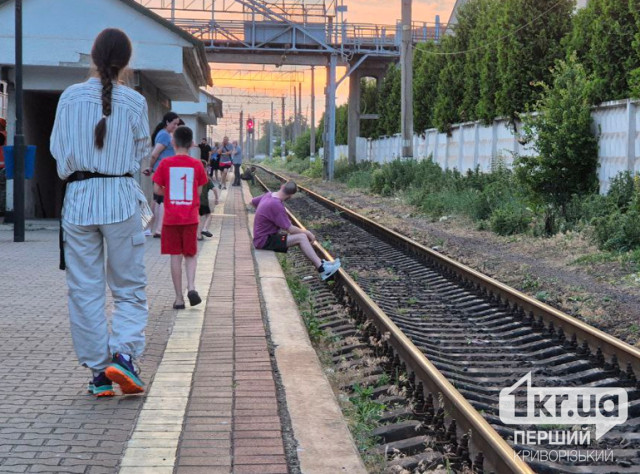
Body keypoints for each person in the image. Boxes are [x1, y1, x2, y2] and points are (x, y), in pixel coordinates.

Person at [50, 28, 151, 397]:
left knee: (84, 290)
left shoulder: (68, 97)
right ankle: (123, 357)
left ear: (92, 57)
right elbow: (140, 154)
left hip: (78, 200)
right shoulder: (136, 103)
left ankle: (98, 373)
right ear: (126, 62)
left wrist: (79, 170)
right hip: (121, 200)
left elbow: (58, 151)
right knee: (128, 287)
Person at [152, 125, 208, 310]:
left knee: (175, 257)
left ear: (173, 142)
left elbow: (156, 189)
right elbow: (199, 191)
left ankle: (178, 299)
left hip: (171, 219)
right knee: (190, 254)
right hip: (190, 218)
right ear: (192, 144)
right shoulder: (197, 165)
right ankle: (191, 287)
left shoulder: (165, 163)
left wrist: (168, 191)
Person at [251, 181, 341, 280]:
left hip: (264, 237)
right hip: (264, 241)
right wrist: (308, 232)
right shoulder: (276, 205)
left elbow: (252, 202)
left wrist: (265, 217)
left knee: (301, 237)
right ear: (291, 196)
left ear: (282, 186)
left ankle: (321, 263)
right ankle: (322, 269)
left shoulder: (269, 195)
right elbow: (291, 229)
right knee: (301, 237)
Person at [144, 111, 180, 237]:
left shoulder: (164, 134)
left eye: (177, 124)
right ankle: (158, 229)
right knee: (162, 200)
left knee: (156, 200)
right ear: (167, 122)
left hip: (161, 171)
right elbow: (155, 154)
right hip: (163, 172)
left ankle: (148, 227)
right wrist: (149, 167)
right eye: (174, 124)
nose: (176, 127)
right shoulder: (165, 135)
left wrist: (151, 168)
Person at [197, 159, 218, 240]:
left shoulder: (194, 177)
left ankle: (198, 235)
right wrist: (216, 199)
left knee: (197, 218)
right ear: (205, 168)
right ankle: (204, 229)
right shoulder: (207, 179)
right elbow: (215, 190)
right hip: (204, 202)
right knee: (208, 215)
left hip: (194, 201)